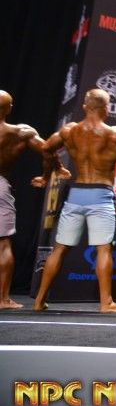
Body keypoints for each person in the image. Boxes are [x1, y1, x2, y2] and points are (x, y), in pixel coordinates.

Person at [33, 89, 116, 313]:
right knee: (103, 250)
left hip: (76, 195)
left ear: (84, 107)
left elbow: (46, 148)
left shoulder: (69, 131)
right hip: (101, 195)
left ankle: (39, 300)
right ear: (106, 109)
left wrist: (52, 171)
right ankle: (106, 303)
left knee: (59, 249)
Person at [0, 91, 67, 309]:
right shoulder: (21, 132)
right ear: (9, 108)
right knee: (2, 244)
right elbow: (48, 149)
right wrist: (53, 171)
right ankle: (3, 299)